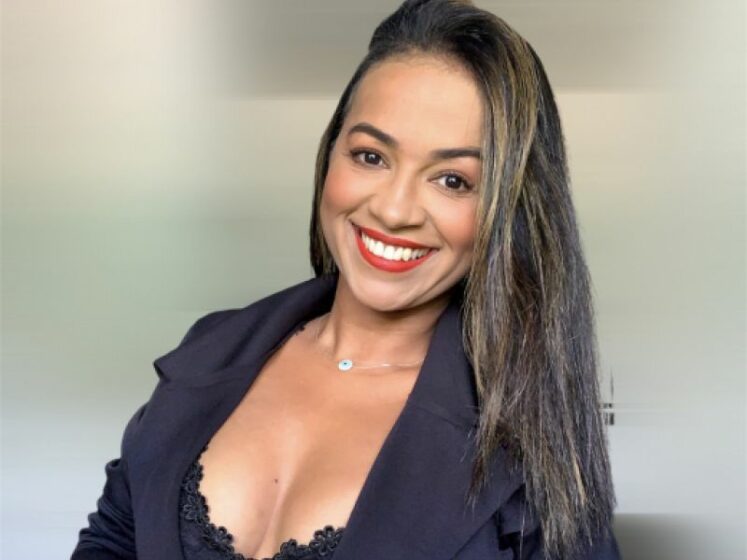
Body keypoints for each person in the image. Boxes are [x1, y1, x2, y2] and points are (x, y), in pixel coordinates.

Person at [71, 1, 621, 559]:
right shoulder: (210, 352)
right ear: (331, 152)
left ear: (509, 209)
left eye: (453, 180)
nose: (394, 210)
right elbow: (114, 539)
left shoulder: (529, 446)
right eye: (371, 156)